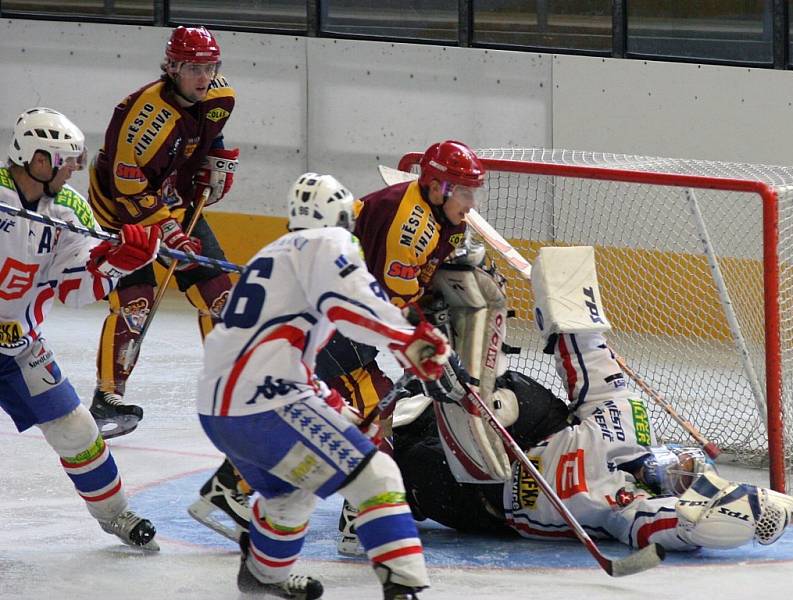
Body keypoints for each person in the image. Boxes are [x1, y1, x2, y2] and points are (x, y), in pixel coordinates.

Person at [391, 247, 793, 553]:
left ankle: (398, 451)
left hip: (487, 502)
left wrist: (747, 511)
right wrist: (566, 306)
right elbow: (593, 363)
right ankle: (455, 348)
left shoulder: (626, 510)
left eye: (682, 479)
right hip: (528, 434)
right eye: (683, 461)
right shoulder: (627, 426)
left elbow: (683, 527)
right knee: (512, 399)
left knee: (412, 469)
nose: (675, 468)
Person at [189, 139, 489, 548]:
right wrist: (423, 354)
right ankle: (358, 520)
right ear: (438, 188)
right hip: (334, 323)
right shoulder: (412, 228)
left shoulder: (433, 211)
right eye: (466, 191)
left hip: (335, 318)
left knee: (349, 413)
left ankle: (229, 486)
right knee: (371, 408)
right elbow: (391, 307)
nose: (472, 203)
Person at [0, 107, 161, 550]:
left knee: (77, 430)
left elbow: (74, 289)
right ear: (36, 159)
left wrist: (117, 264)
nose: (72, 168)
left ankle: (116, 515)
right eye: (64, 159)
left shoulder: (70, 210)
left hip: (18, 345)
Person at [87, 25, 238, 438]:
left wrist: (218, 159)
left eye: (210, 68)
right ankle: (107, 396)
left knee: (221, 296)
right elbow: (127, 188)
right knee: (136, 303)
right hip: (119, 213)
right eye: (193, 68)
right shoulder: (139, 118)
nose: (204, 78)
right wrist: (168, 232)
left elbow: (209, 134)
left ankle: (229, 394)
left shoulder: (220, 96)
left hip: (176, 201)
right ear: (171, 67)